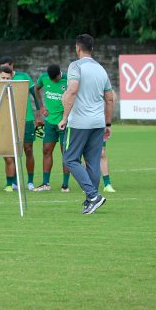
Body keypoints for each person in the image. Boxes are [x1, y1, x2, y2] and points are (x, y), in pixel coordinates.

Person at [59, 34, 114, 214]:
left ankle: (93, 195)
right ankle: (91, 201)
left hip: (79, 122)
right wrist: (108, 124)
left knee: (70, 159)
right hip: (98, 123)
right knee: (92, 162)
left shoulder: (75, 66)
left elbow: (72, 90)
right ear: (92, 49)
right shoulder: (101, 69)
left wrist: (64, 117)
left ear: (77, 48)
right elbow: (110, 98)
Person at [0, 57, 42, 191]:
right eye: (2, 68)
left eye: (7, 67)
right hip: (9, 119)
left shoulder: (23, 77)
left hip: (26, 118)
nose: (5, 69)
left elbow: (34, 93)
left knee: (28, 149)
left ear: (12, 65)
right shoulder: (1, 79)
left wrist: (39, 112)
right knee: (12, 151)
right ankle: (14, 182)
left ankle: (30, 181)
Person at [34, 64, 71, 192]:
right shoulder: (44, 77)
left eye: (54, 79)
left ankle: (65, 185)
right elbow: (36, 88)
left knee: (65, 153)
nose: (53, 81)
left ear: (59, 74)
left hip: (64, 122)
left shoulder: (68, 79)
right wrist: (41, 107)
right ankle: (45, 183)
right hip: (49, 121)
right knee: (46, 150)